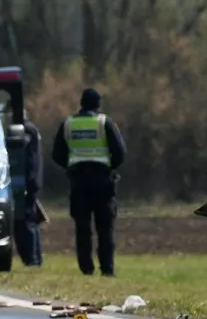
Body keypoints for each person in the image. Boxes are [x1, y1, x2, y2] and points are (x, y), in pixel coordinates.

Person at [51, 87, 126, 276]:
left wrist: (71, 166)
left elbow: (57, 154)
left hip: (78, 181)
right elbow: (120, 152)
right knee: (105, 228)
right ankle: (107, 269)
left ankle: (86, 269)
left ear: (81, 103)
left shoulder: (68, 124)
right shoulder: (104, 122)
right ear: (98, 104)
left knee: (82, 228)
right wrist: (110, 167)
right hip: (102, 181)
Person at [13, 109, 44, 266]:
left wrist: (29, 182)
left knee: (26, 222)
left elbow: (30, 160)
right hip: (31, 180)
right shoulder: (31, 129)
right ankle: (35, 259)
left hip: (27, 181)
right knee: (30, 220)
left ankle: (32, 260)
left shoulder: (25, 131)